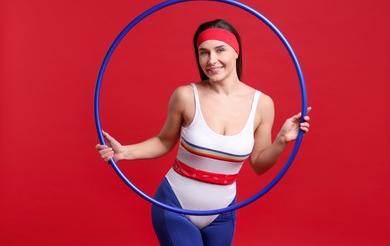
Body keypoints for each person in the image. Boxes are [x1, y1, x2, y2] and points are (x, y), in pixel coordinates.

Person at [96, 19, 311, 246]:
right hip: (174, 205)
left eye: (220, 50)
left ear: (236, 52)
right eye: (203, 53)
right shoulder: (185, 96)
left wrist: (282, 140)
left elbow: (259, 164)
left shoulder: (262, 104)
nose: (211, 60)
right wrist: (124, 153)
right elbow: (164, 141)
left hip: (223, 213)